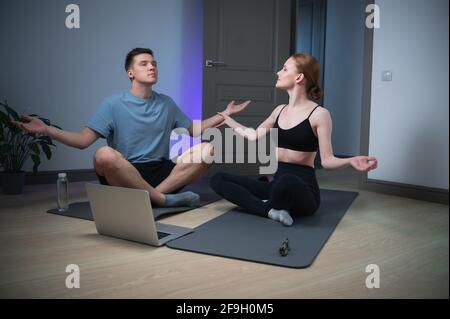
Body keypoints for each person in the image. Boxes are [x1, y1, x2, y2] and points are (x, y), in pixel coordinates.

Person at [13, 48, 250, 207]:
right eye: (144, 63)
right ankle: (162, 199)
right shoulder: (113, 104)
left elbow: (193, 130)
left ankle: (151, 196)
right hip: (125, 173)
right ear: (130, 72)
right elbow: (84, 140)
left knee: (208, 149)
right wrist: (46, 129)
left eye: (154, 63)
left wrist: (224, 115)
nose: (152, 67)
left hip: (160, 171)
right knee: (102, 154)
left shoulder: (166, 103)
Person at [211, 53, 378, 226]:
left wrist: (351, 161)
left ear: (299, 77)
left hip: (302, 191)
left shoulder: (319, 114)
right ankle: (269, 211)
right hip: (277, 185)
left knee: (285, 181)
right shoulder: (279, 110)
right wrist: (227, 119)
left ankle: (269, 205)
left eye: (284, 69)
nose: (278, 72)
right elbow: (253, 136)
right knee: (218, 179)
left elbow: (327, 161)